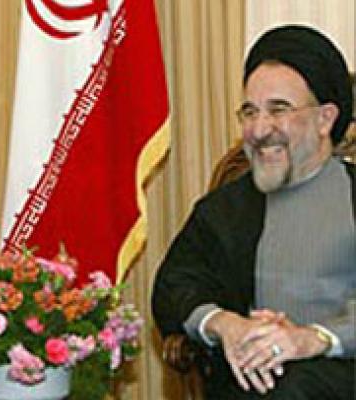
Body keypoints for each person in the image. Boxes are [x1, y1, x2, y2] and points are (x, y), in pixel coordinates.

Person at [152, 25, 355, 399]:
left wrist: (314, 338)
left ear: (325, 119)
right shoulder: (225, 209)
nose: (260, 130)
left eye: (279, 110)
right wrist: (226, 325)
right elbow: (174, 286)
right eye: (250, 112)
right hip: (252, 383)